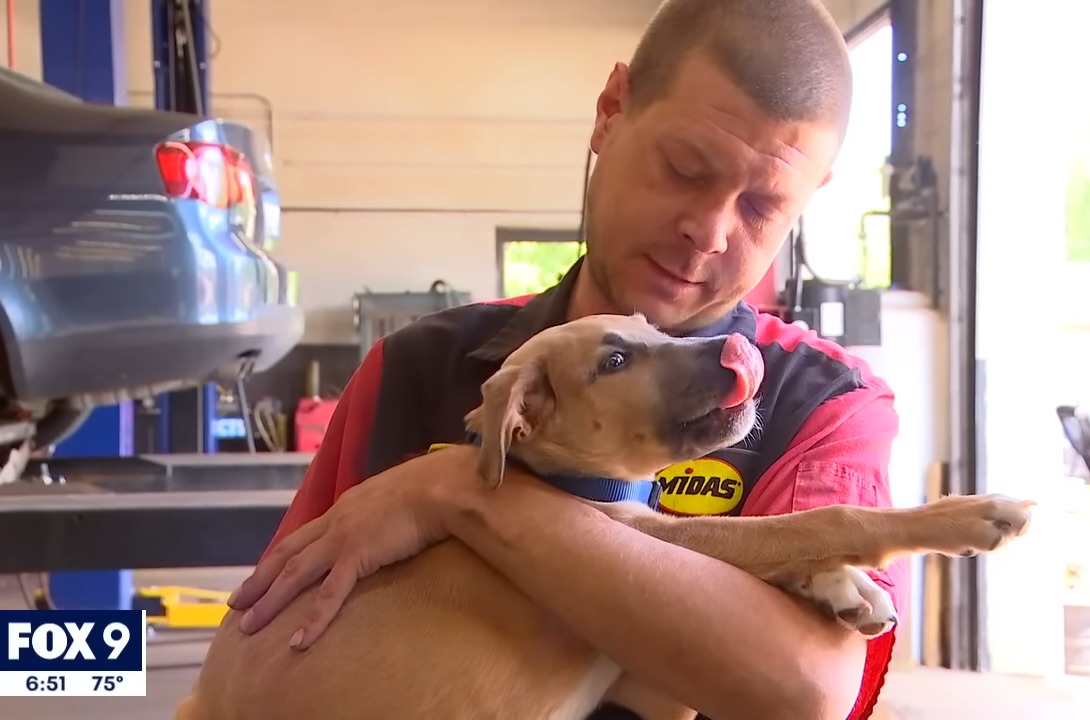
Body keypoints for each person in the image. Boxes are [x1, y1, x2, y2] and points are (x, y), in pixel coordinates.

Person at [227, 0, 909, 717]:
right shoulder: (412, 368)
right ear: (612, 110)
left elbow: (801, 689)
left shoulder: (826, 408)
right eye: (685, 167)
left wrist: (458, 493)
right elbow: (270, 641)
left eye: (762, 206)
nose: (708, 231)